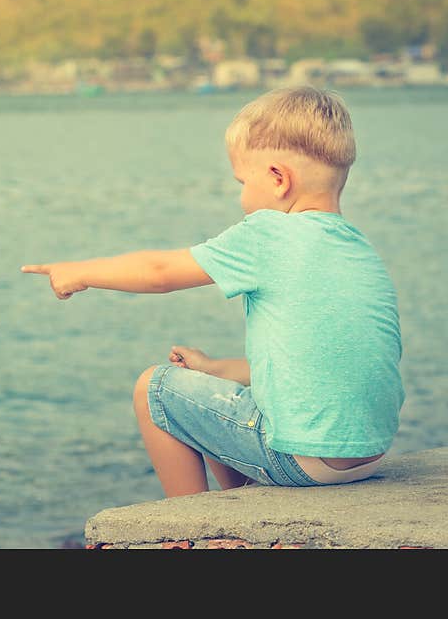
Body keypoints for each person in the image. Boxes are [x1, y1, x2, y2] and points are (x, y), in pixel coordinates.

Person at [21, 86, 404, 497]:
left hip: (302, 459)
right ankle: (241, 507)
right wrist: (215, 369)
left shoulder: (271, 233)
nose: (240, 196)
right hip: (365, 455)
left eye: (242, 181)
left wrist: (80, 272)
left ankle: (191, 523)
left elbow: (159, 272)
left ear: (278, 179)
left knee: (156, 389)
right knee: (214, 395)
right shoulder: (356, 247)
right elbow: (317, 365)